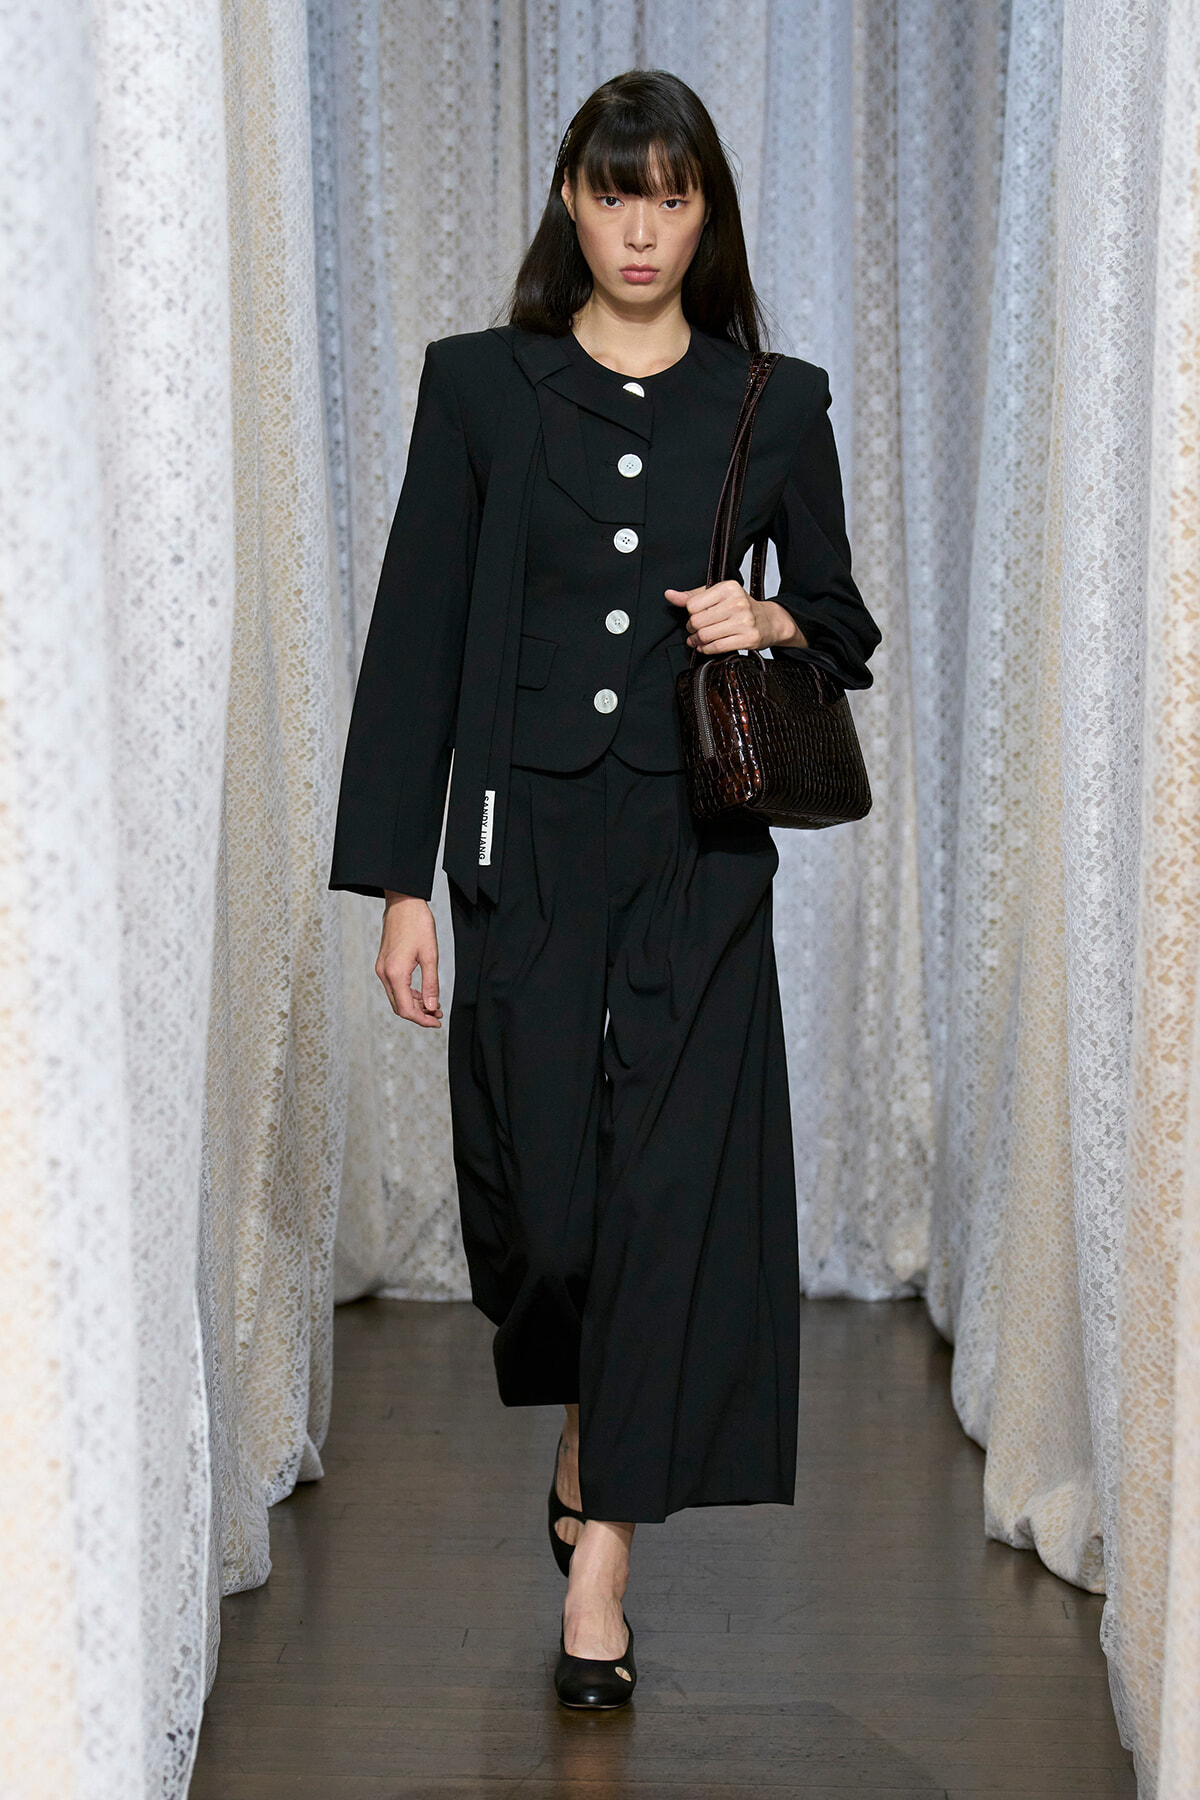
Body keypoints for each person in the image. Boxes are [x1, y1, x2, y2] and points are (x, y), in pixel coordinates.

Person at [329, 68, 880, 1710]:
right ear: (570, 200)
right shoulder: (480, 390)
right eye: (613, 190)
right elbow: (416, 639)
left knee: (662, 1215)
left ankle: (605, 1576)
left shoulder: (774, 404)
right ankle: (580, 1415)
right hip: (521, 861)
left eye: (674, 195)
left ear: (706, 216)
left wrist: (767, 622)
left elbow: (841, 617)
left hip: (699, 865)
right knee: (552, 1227)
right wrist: (397, 884)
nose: (642, 226)